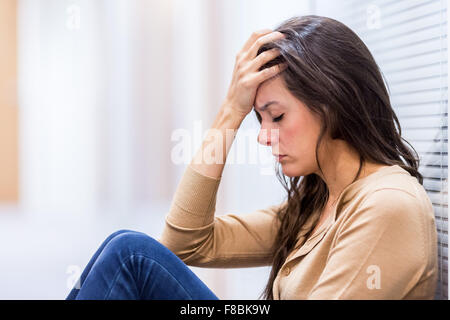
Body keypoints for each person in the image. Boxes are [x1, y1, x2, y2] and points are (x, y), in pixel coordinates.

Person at [66, 15, 438, 300]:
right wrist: (230, 112)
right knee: (124, 246)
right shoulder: (317, 202)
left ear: (332, 104)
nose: (263, 136)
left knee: (130, 255)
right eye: (259, 119)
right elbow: (186, 242)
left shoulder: (387, 204)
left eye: (277, 116)